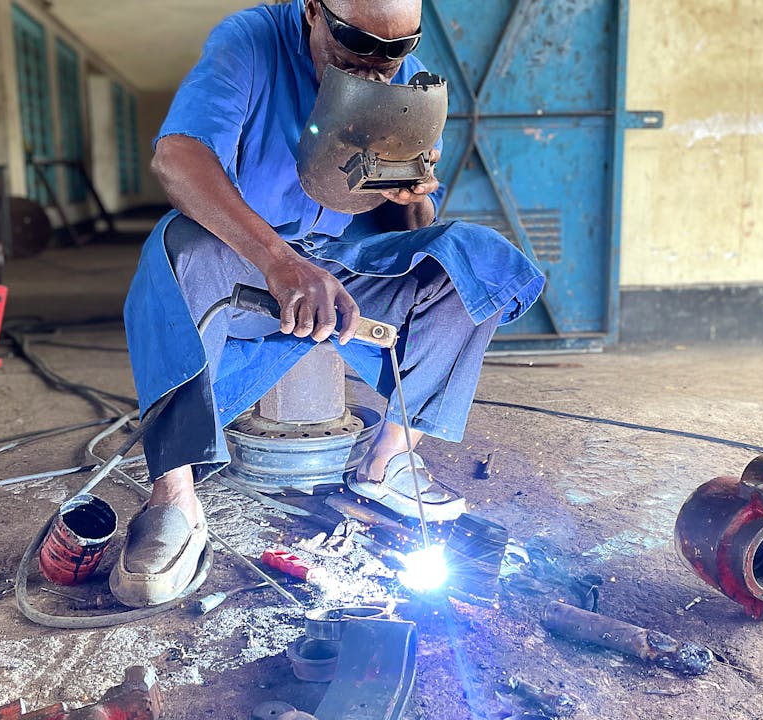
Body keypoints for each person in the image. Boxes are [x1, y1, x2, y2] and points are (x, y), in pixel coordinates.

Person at [113, 0, 544, 607]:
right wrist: (281, 262)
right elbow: (178, 158)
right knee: (181, 248)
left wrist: (412, 196)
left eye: (394, 50)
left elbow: (415, 227)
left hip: (346, 270)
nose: (374, 67)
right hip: (249, 264)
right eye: (355, 46)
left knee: (474, 258)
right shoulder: (251, 42)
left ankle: (389, 462)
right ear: (315, 10)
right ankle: (174, 498)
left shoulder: (400, 75)